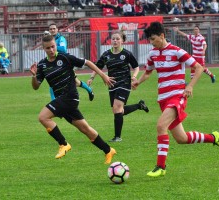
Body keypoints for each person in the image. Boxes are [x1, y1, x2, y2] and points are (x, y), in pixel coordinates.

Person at [132, 22, 219, 177]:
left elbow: (199, 67)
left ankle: (161, 167)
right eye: (149, 40)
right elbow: (148, 73)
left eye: (153, 39)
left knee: (161, 126)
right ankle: (213, 137)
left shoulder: (177, 52)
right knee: (181, 138)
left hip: (177, 96)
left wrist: (189, 86)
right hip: (163, 99)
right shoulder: (152, 54)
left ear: (162, 36)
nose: (151, 42)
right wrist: (138, 81)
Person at [29, 35, 117, 164]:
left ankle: (63, 144)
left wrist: (103, 75)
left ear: (55, 45)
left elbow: (87, 62)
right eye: (48, 48)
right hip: (62, 100)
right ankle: (108, 150)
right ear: (43, 49)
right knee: (85, 129)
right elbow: (36, 86)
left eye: (53, 46)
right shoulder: (42, 65)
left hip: (70, 97)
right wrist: (34, 76)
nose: (51, 50)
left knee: (43, 117)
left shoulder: (65, 57)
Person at [87, 30, 149, 142]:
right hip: (111, 84)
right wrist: (91, 78)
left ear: (122, 41)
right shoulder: (106, 54)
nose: (115, 41)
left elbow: (136, 67)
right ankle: (139, 106)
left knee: (117, 108)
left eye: (117, 39)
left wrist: (134, 76)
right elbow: (97, 67)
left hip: (124, 83)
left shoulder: (126, 54)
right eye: (113, 39)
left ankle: (117, 137)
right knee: (118, 111)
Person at [48, 23, 94, 101]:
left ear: (57, 30)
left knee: (74, 82)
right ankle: (89, 90)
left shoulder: (61, 38)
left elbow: (63, 49)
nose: (52, 30)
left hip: (65, 62)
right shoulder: (50, 40)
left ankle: (54, 102)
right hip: (56, 63)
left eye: (54, 28)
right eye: (50, 29)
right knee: (74, 82)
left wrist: (53, 46)